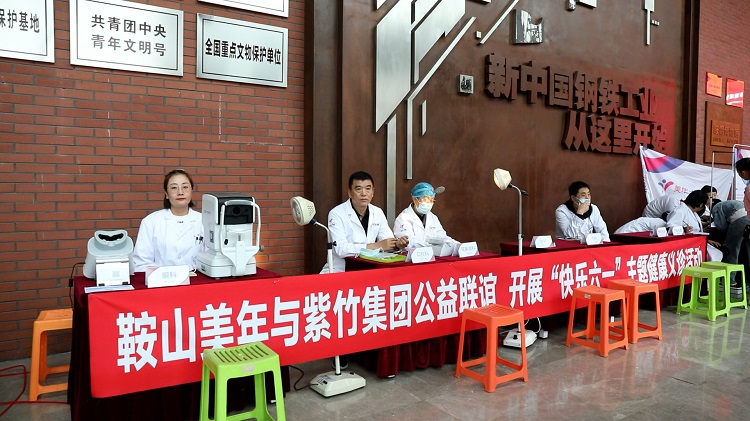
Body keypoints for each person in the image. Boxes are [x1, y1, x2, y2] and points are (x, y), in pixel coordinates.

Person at [321, 171, 409, 273]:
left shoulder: (377, 212)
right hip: (341, 270)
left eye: (368, 189)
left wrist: (397, 244)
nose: (364, 193)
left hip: (370, 268)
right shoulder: (336, 213)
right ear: (349, 192)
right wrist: (376, 246)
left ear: (373, 192)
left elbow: (387, 241)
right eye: (358, 189)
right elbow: (340, 249)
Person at [133, 169, 205, 272]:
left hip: (197, 279)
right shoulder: (150, 222)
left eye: (185, 187)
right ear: (166, 194)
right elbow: (141, 263)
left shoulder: (204, 222)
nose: (180, 192)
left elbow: (211, 260)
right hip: (161, 280)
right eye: (174, 188)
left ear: (191, 191)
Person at [393, 182, 454, 248]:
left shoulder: (433, 217)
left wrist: (456, 245)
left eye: (431, 200)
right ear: (414, 199)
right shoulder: (403, 218)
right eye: (425, 199)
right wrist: (432, 244)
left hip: (433, 253)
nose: (429, 203)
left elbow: (443, 237)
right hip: (413, 254)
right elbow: (409, 243)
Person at [710, 200, 749, 286]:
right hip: (747, 217)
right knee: (747, 250)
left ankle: (729, 279)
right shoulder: (732, 203)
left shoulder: (716, 207)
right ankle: (747, 279)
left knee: (732, 250)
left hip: (740, 220)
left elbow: (721, 226)